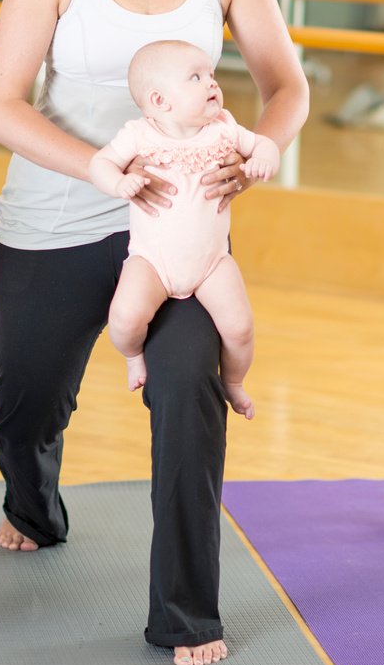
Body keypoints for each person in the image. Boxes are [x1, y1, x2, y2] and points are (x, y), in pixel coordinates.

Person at [0, 0, 308, 665]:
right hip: (53, 220)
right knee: (25, 410)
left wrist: (265, 147)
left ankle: (187, 615)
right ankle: (30, 504)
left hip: (178, 239)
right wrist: (98, 168)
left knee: (189, 390)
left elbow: (287, 85)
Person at [89, 40, 279, 416]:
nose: (212, 84)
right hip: (152, 262)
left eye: (211, 75)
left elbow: (266, 144)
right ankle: (133, 357)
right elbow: (100, 163)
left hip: (212, 263)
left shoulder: (224, 128)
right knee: (125, 319)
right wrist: (118, 183)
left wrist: (261, 162)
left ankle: (234, 382)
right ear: (160, 101)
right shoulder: (139, 135)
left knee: (240, 328)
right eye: (196, 77)